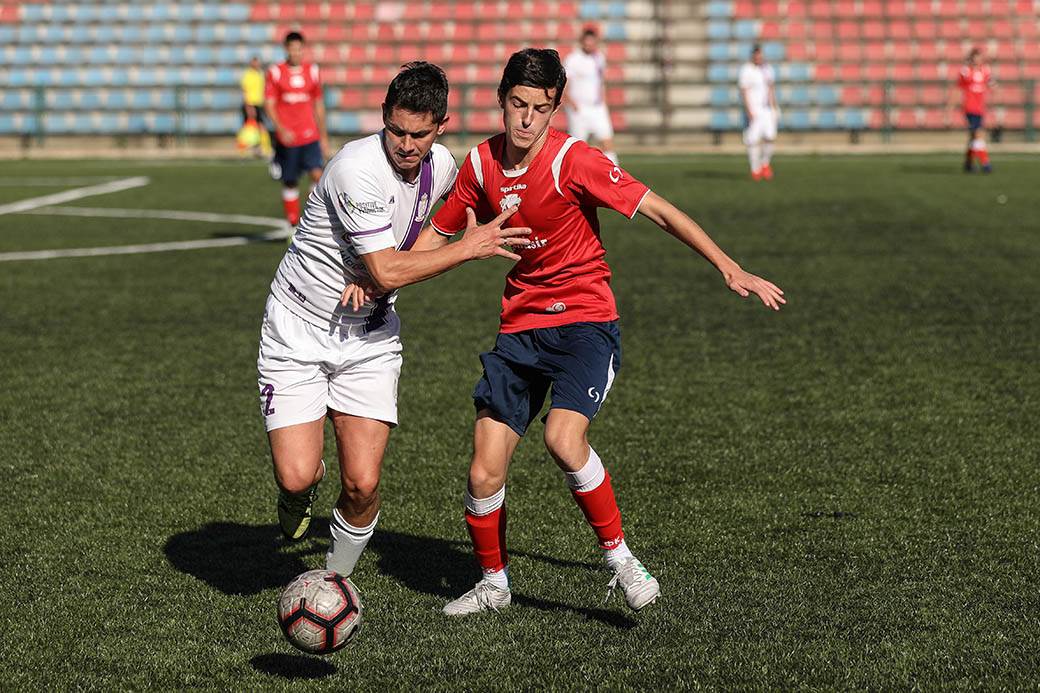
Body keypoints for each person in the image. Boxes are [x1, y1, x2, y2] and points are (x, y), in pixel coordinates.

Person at [425, 48, 785, 616]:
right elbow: (431, 242)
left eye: (539, 109)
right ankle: (494, 583)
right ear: (501, 101)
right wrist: (379, 279)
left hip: (585, 321)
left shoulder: (576, 160)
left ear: (555, 109)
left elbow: (661, 211)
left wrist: (728, 266)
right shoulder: (478, 166)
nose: (526, 120)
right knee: (482, 468)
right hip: (520, 325)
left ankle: (620, 558)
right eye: (517, 105)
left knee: (563, 439)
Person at [256, 62, 530, 589]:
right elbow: (385, 266)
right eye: (396, 130)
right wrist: (459, 251)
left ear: (441, 127)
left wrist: (384, 281)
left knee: (362, 484)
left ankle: (334, 583)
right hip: (298, 328)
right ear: (384, 117)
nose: (405, 144)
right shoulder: (355, 169)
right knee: (298, 475)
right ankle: (297, 496)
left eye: (419, 134)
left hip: (372, 335)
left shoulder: (445, 166)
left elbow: (461, 212)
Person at [265, 32, 330, 226]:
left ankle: (312, 220)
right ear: (286, 49)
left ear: (303, 49)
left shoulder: (312, 71)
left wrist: (324, 137)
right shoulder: (276, 72)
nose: (296, 52)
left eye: (299, 48)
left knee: (318, 176)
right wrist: (281, 129)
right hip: (288, 138)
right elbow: (269, 104)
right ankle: (292, 223)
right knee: (290, 180)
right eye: (292, 48)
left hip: (310, 135)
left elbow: (318, 104)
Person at [562, 26, 618, 165]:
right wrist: (573, 105)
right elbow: (564, 85)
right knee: (577, 147)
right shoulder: (573, 59)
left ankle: (614, 175)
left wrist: (604, 102)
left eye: (592, 42)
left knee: (607, 143)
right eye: (586, 42)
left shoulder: (599, 58)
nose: (589, 45)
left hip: (597, 107)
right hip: (579, 108)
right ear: (582, 42)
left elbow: (600, 82)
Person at [948, 47, 996, 173]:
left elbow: (992, 86)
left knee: (973, 137)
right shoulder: (965, 72)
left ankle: (968, 163)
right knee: (978, 134)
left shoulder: (985, 71)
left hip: (980, 108)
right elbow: (958, 89)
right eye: (975, 57)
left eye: (979, 57)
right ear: (971, 58)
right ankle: (986, 164)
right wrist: (951, 106)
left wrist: (995, 90)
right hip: (969, 108)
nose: (977, 60)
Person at [738, 44, 778, 181]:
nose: (759, 58)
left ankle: (765, 164)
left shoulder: (767, 69)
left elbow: (771, 87)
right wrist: (748, 109)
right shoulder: (746, 70)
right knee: (753, 140)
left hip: (766, 109)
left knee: (770, 137)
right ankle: (755, 169)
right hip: (754, 108)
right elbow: (743, 91)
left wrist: (774, 107)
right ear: (753, 56)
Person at [238, 56, 271, 157]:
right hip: (250, 104)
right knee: (248, 127)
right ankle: (243, 150)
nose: (256, 64)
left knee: (261, 127)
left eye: (257, 62)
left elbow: (264, 90)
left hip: (259, 104)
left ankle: (263, 149)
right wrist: (248, 106)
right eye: (254, 63)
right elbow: (245, 91)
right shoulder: (248, 75)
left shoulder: (261, 74)